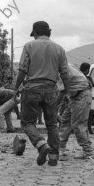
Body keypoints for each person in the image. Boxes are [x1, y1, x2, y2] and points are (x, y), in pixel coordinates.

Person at [14, 21, 69, 167]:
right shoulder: (59, 49)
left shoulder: (29, 46)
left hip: (32, 89)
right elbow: (65, 73)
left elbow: (22, 70)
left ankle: (41, 145)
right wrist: (68, 92)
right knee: (52, 124)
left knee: (27, 123)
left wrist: (15, 88)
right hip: (51, 90)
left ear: (35, 33)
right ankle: (53, 157)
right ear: (48, 32)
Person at [59, 63, 94, 159]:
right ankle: (60, 148)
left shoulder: (63, 69)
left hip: (81, 96)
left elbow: (61, 92)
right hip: (74, 96)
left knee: (78, 124)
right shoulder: (66, 66)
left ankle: (88, 151)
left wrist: (53, 108)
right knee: (65, 121)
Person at [79, 62, 94, 134]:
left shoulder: (78, 76)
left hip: (82, 98)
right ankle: (88, 130)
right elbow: (92, 85)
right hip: (84, 99)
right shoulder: (86, 78)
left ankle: (85, 130)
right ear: (86, 70)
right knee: (88, 115)